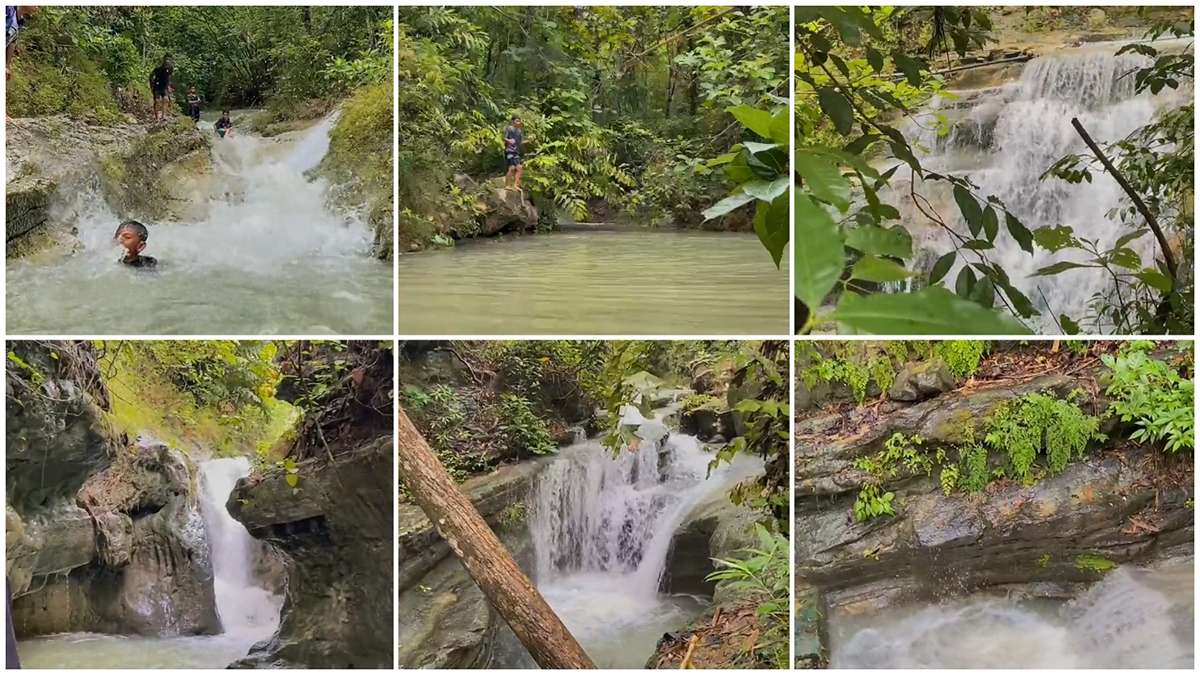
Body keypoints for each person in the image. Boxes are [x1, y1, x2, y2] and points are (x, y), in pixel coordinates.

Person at [148, 55, 173, 122]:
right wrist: (151, 85)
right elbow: (151, 76)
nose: (167, 63)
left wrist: (169, 86)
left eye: (169, 62)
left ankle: (163, 116)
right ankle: (157, 117)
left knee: (166, 99)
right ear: (163, 62)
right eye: (166, 62)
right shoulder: (158, 69)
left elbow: (169, 77)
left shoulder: (170, 68)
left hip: (164, 86)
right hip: (157, 86)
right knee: (157, 101)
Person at [503, 115, 524, 190]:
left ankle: (515, 185)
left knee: (519, 168)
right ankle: (507, 185)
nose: (518, 122)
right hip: (509, 151)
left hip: (516, 152)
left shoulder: (519, 131)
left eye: (519, 121)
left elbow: (520, 142)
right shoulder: (509, 128)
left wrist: (530, 141)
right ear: (513, 121)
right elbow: (504, 138)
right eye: (517, 121)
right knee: (512, 168)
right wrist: (509, 141)